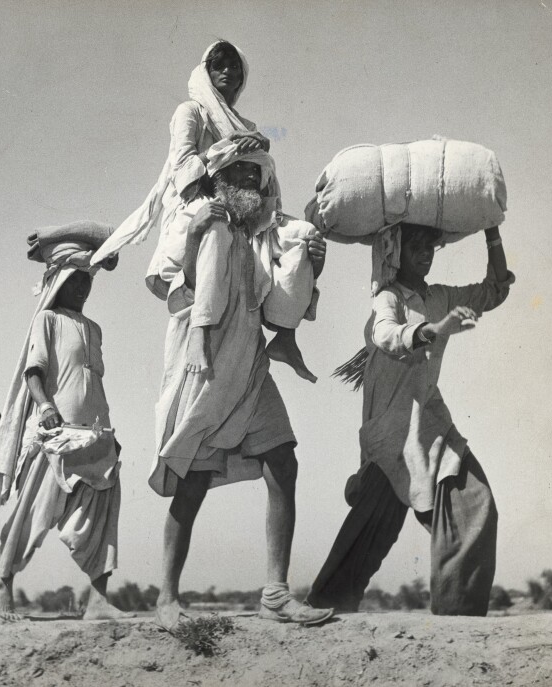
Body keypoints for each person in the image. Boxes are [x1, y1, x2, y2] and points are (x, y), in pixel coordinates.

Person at [149, 143, 333, 630]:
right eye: (241, 174)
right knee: (191, 479)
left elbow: (279, 304)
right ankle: (166, 596)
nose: (251, 182)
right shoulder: (194, 217)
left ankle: (275, 592)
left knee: (283, 460)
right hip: (203, 362)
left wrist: (312, 261)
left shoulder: (261, 237)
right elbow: (159, 280)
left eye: (257, 175)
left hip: (249, 363)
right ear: (221, 178)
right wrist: (194, 237)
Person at [307, 223, 513, 616]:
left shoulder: (440, 297)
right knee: (371, 529)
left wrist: (492, 232)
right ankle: (325, 607)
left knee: (474, 503)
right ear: (393, 253)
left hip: (430, 425)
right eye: (415, 245)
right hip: (391, 432)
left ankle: (460, 616)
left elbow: (495, 289)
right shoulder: (387, 298)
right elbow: (387, 335)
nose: (427, 252)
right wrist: (436, 330)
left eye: (430, 245)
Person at [91, 41, 316, 381]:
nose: (227, 71)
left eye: (234, 66)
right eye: (218, 65)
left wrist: (259, 153)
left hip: (245, 208)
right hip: (200, 203)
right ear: (206, 71)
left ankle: (286, 334)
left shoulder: (246, 125)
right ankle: (199, 329)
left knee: (306, 236)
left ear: (242, 77)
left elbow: (258, 179)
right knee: (215, 227)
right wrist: (232, 150)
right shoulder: (190, 112)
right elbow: (183, 172)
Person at [0, 221, 131, 622]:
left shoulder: (94, 329)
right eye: (75, 279)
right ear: (59, 281)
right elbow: (34, 372)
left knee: (102, 514)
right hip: (56, 434)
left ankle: (98, 600)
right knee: (32, 513)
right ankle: (2, 581)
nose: (83, 287)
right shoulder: (46, 320)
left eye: (87, 280)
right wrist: (45, 406)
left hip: (97, 433)